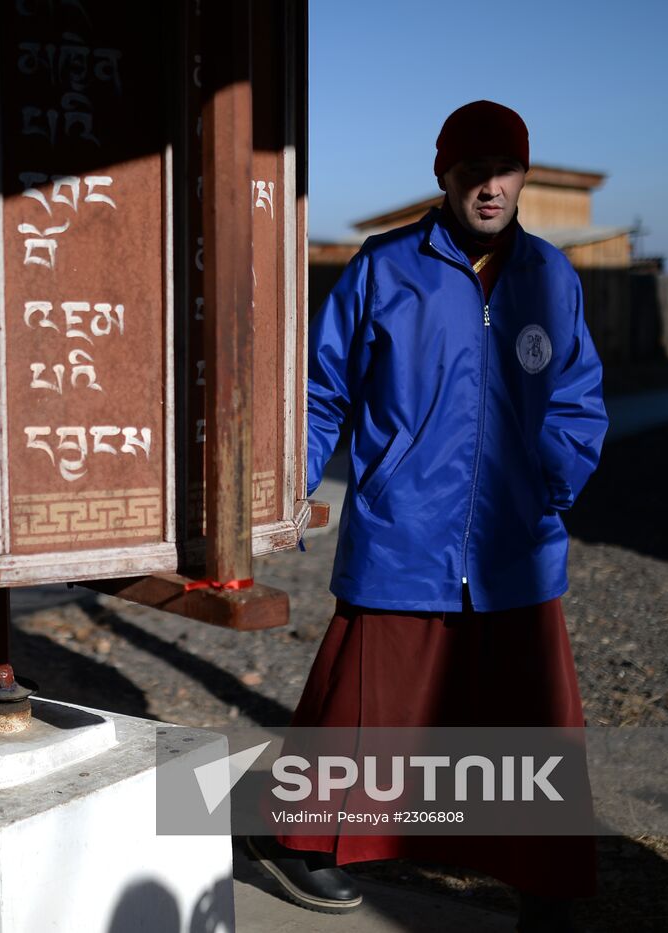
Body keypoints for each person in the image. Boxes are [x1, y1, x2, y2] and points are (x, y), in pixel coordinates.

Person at [247, 101, 608, 932]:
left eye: (505, 168)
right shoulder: (384, 268)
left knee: (529, 719)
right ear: (443, 173)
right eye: (472, 168)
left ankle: (541, 877)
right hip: (402, 532)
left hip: (516, 549)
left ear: (525, 174)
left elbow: (579, 401)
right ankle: (304, 843)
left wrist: (545, 487)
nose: (490, 186)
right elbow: (318, 391)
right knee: (370, 706)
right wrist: (292, 487)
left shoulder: (551, 277)